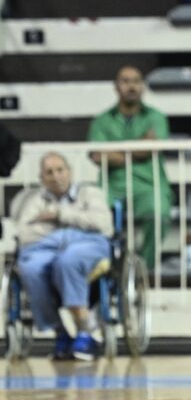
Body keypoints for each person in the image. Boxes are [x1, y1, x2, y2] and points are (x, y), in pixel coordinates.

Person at [11, 153, 113, 361]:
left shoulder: (90, 193)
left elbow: (103, 225)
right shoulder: (35, 201)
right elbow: (25, 234)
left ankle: (85, 331)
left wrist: (59, 215)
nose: (55, 176)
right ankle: (59, 331)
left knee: (68, 259)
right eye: (49, 172)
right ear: (42, 178)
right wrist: (66, 234)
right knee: (30, 267)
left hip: (88, 246)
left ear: (70, 172)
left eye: (60, 170)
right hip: (46, 250)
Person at [87, 65, 173, 269]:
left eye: (135, 81)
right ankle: (106, 268)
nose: (131, 86)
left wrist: (115, 152)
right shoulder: (101, 120)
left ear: (142, 86)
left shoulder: (156, 116)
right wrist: (139, 146)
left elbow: (152, 148)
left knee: (159, 211)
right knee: (93, 215)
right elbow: (97, 156)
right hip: (112, 185)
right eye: (125, 81)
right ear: (116, 87)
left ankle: (144, 267)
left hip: (148, 185)